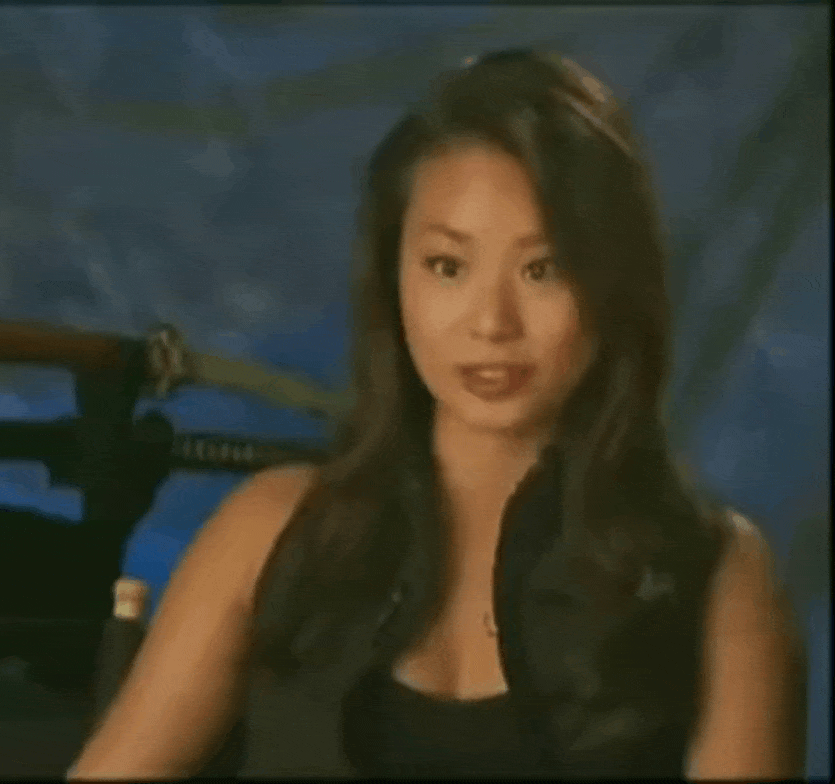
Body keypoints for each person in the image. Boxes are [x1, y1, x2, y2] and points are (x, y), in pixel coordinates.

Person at [66, 49, 806, 780]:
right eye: (448, 267)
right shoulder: (268, 531)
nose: (492, 322)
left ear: (613, 284)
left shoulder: (718, 576)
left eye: (542, 269)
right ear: (393, 280)